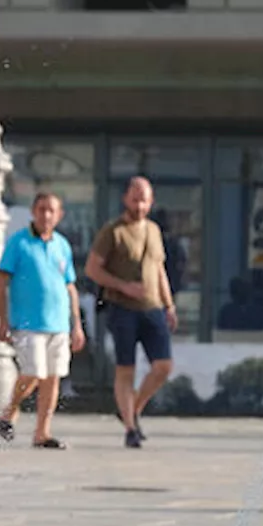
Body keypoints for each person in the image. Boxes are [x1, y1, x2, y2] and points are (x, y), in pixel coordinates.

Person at [84, 176, 177, 449]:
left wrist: (169, 304)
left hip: (153, 308)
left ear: (151, 201)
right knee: (126, 369)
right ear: (125, 198)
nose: (139, 204)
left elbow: (159, 270)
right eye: (135, 198)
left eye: (144, 199)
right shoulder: (112, 231)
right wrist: (123, 286)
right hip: (122, 308)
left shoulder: (154, 230)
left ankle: (132, 408)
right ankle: (130, 428)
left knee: (163, 366)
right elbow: (92, 269)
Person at [0, 192, 85, 449]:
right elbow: (1, 283)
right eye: (41, 209)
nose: (46, 215)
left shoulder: (62, 245)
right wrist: (2, 320)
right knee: (33, 372)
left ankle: (42, 433)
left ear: (59, 215)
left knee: (52, 377)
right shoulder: (18, 243)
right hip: (27, 323)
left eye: (51, 210)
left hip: (58, 324)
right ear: (33, 211)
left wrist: (76, 324)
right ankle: (10, 409)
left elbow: (70, 287)